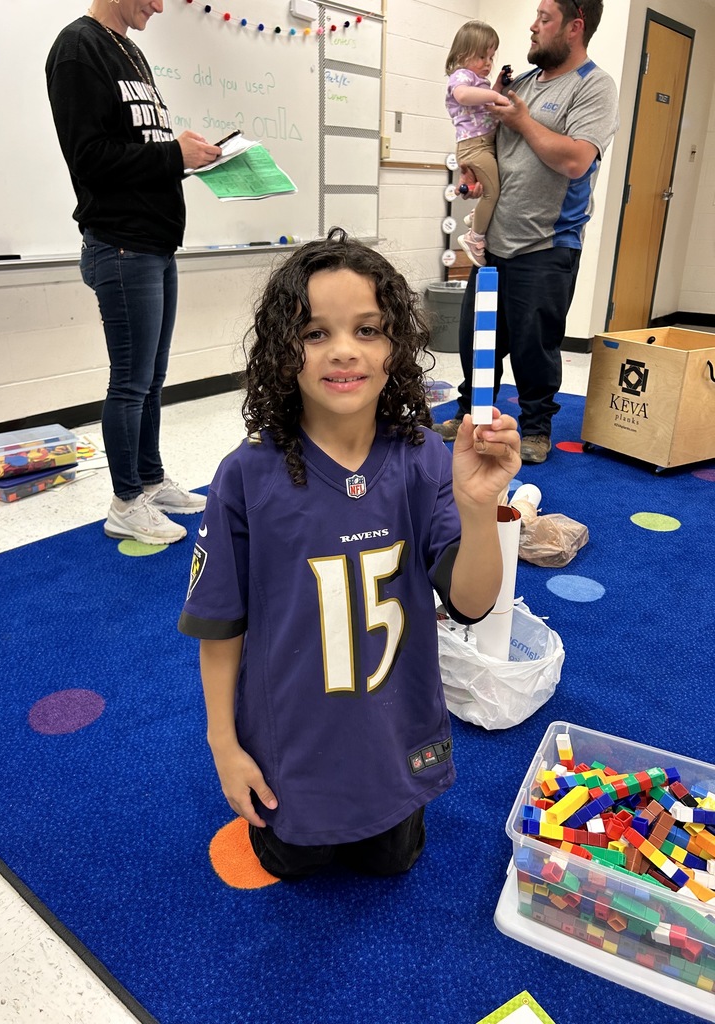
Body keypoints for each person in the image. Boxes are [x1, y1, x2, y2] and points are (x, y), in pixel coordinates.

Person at [177, 229, 521, 880]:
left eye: (368, 329)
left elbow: (472, 602)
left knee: (393, 863)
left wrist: (478, 509)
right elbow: (220, 625)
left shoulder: (424, 457)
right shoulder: (245, 477)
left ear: (397, 346)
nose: (343, 351)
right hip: (293, 747)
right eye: (315, 333)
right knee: (293, 862)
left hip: (398, 740)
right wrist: (223, 743)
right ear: (285, 352)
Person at [46, 0, 221, 545]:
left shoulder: (131, 51)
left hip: (154, 244)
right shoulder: (78, 49)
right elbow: (90, 158)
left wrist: (188, 158)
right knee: (130, 382)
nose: (161, 6)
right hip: (121, 246)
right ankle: (126, 501)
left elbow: (138, 153)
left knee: (150, 379)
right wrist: (174, 156)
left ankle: (148, 478)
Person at [434, 0, 619, 465]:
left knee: (535, 345)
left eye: (544, 19)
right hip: (493, 241)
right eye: (535, 17)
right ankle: (470, 412)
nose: (533, 28)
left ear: (575, 28)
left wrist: (520, 119)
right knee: (478, 339)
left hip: (546, 242)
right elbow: (488, 138)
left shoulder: (594, 86)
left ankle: (536, 427)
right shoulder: (521, 83)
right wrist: (472, 177)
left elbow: (576, 160)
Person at [445, 21, 511, 269]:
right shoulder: (461, 76)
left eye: (491, 57)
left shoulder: (478, 80)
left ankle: (478, 216)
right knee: (493, 191)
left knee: (492, 186)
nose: (488, 63)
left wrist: (498, 85)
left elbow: (483, 103)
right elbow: (463, 95)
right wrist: (495, 95)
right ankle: (474, 238)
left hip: (484, 144)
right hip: (474, 145)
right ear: (463, 55)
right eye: (482, 56)